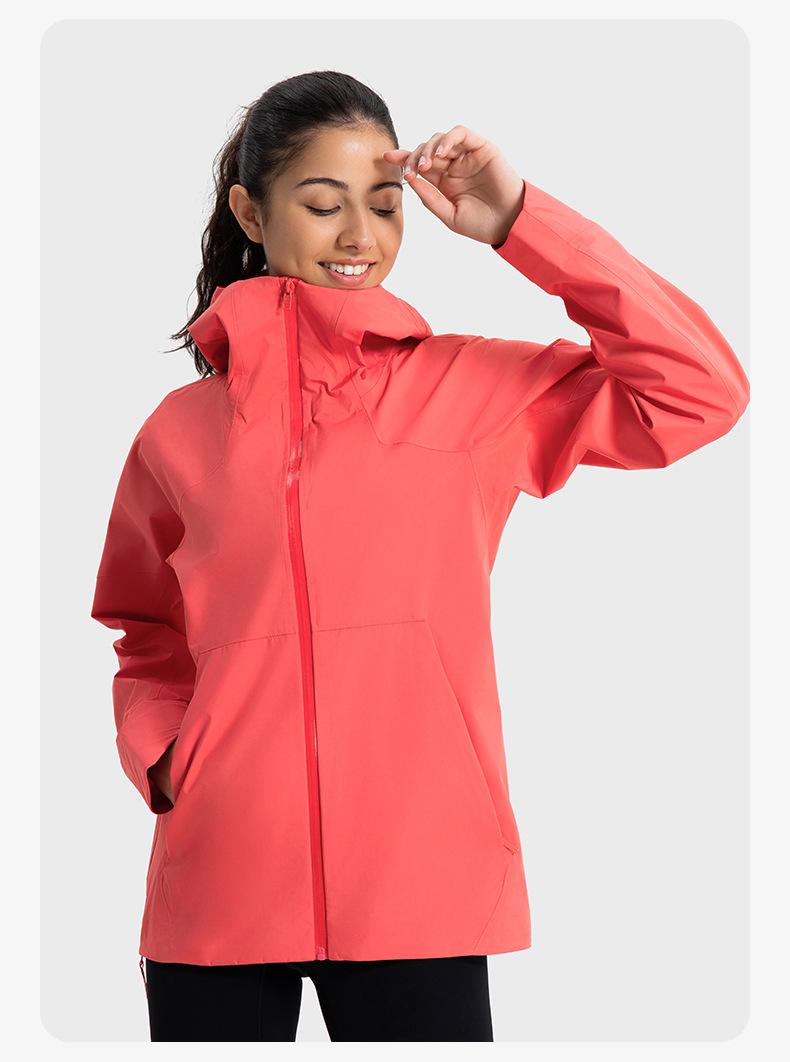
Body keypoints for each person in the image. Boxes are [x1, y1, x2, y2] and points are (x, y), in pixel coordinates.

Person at [90, 70, 750, 1042]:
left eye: (384, 202)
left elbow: (698, 393)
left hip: (420, 882)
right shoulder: (178, 433)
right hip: (218, 878)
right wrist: (164, 760)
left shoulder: (470, 392)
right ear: (251, 213)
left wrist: (520, 222)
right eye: (324, 204)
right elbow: (145, 626)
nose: (359, 235)